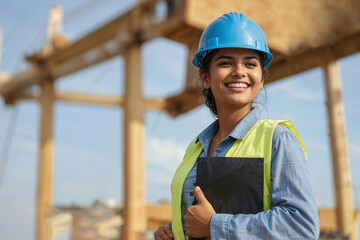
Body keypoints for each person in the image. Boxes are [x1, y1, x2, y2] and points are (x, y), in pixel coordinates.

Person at [154, 12, 319, 240]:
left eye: (250, 63)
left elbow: (301, 226)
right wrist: (175, 229)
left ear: (261, 79)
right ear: (205, 78)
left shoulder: (277, 139)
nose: (239, 71)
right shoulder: (196, 149)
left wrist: (214, 225)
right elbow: (205, 213)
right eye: (225, 62)